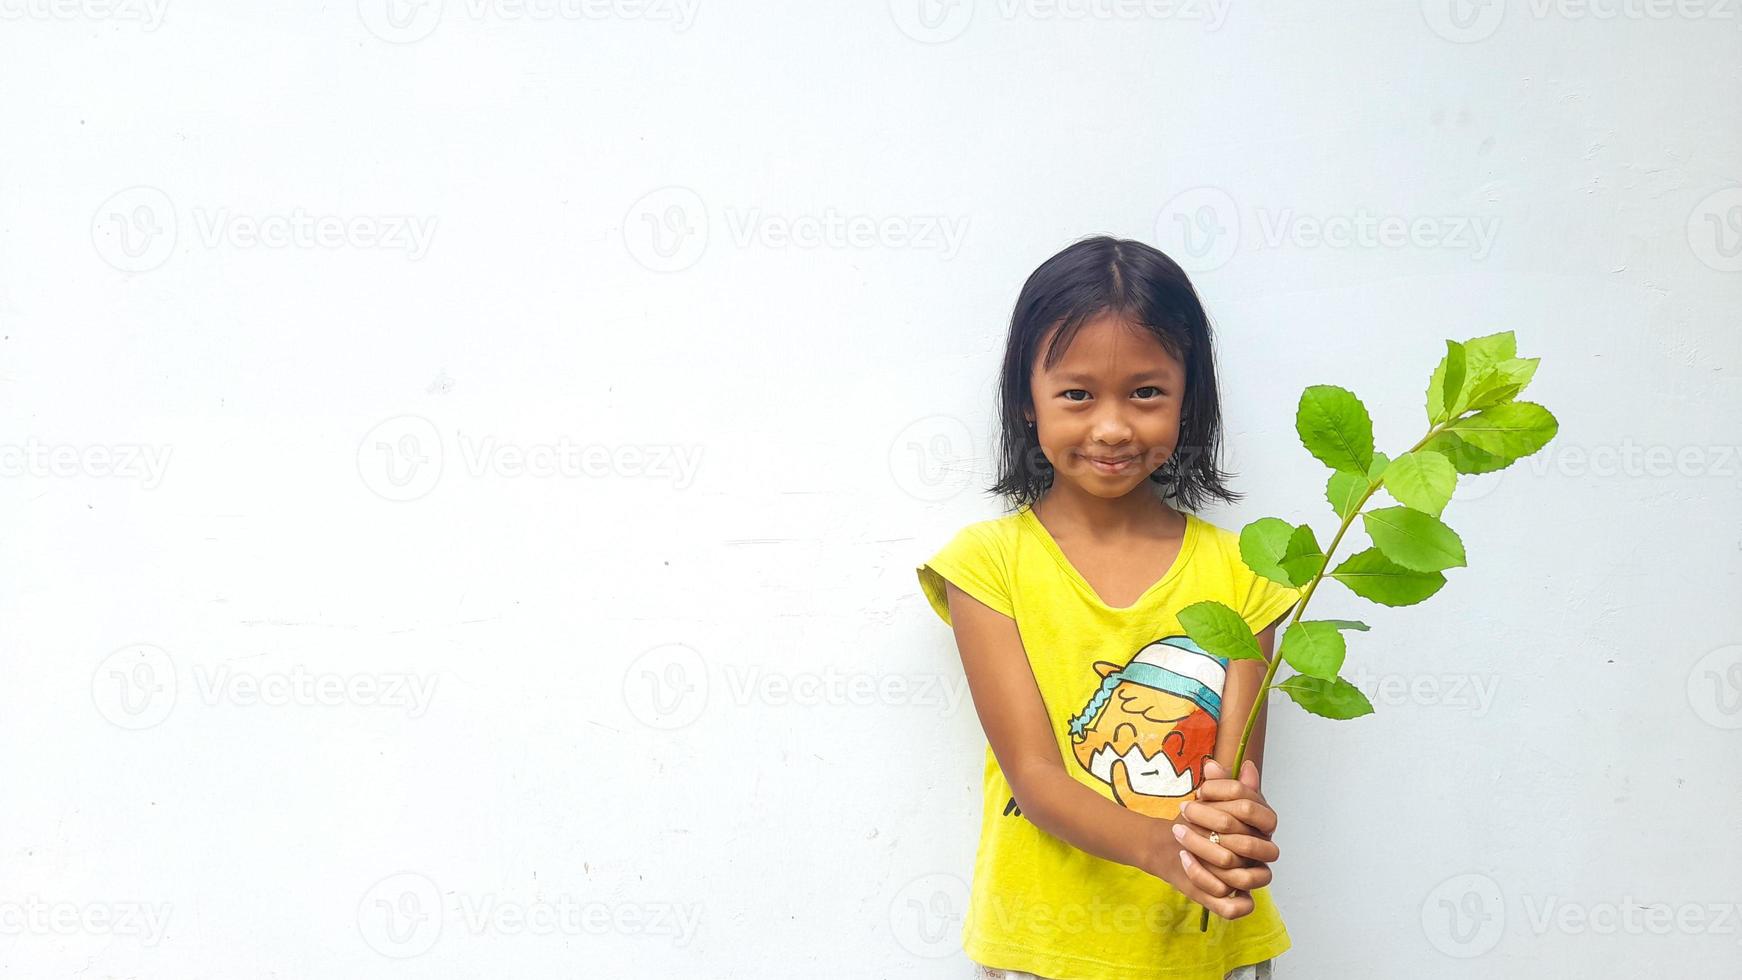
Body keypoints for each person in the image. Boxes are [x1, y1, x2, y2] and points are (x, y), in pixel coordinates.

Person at [916, 236, 1304, 980]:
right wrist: (1168, 850)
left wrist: (1240, 829)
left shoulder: (1245, 571)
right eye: (1077, 393)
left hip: (1204, 950)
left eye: (1146, 392)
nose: (1113, 427)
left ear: (1190, 401)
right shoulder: (986, 565)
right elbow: (1034, 776)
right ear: (1026, 402)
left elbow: (1234, 772)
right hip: (1043, 949)